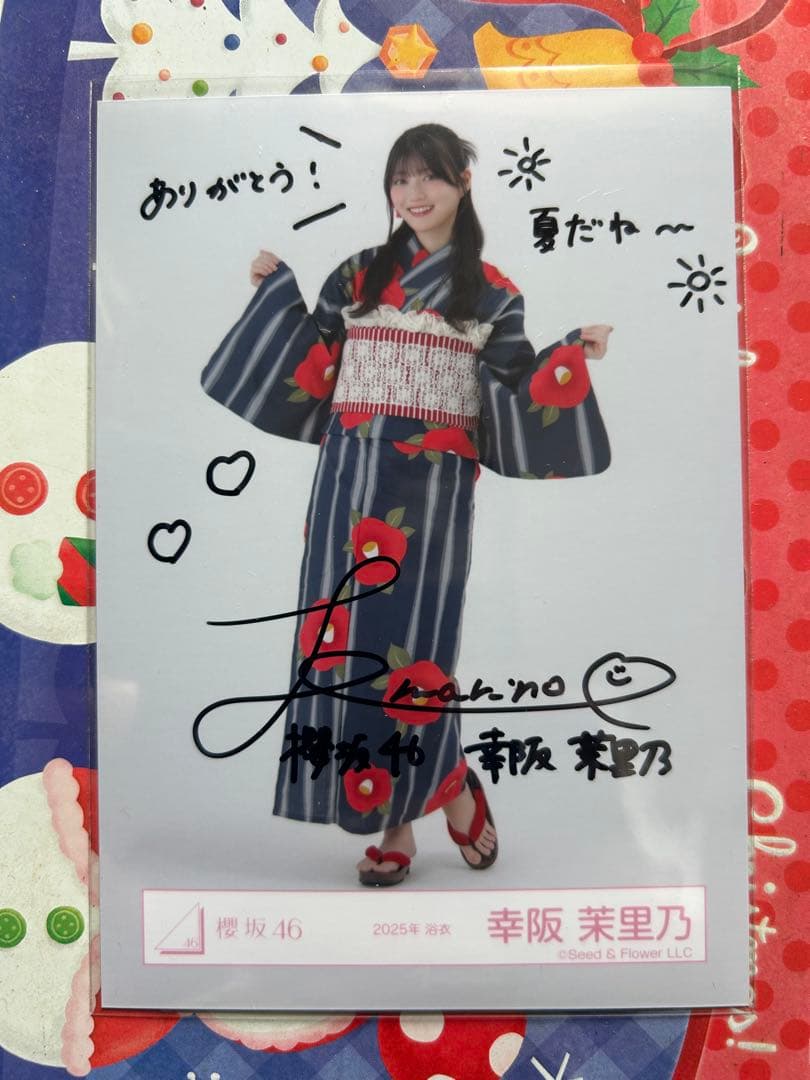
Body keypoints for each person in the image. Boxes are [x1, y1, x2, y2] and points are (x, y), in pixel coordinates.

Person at [201, 123, 612, 886]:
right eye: (400, 179)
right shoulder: (360, 275)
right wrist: (277, 294)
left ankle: (422, 804)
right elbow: (314, 365)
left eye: (430, 177)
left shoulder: (494, 292)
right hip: (345, 487)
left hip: (433, 496)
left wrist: (567, 356)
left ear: (464, 183)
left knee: (415, 651)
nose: (414, 194)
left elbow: (513, 387)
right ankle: (417, 809)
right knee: (339, 647)